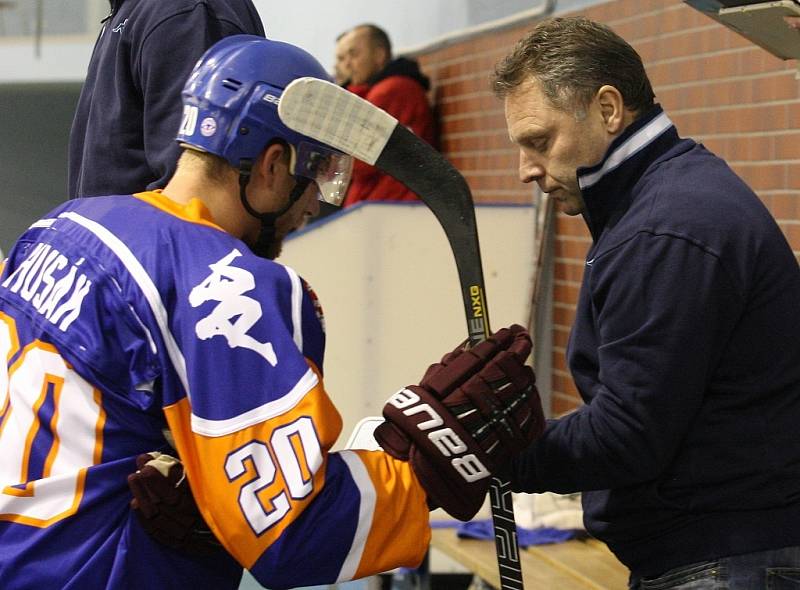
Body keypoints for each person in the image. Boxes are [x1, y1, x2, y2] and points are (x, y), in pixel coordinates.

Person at [0, 35, 545, 589]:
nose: (313, 204)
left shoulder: (60, 226)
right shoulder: (228, 283)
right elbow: (295, 530)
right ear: (273, 165)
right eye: (317, 176)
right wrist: (425, 459)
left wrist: (202, 483)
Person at [492, 16, 800, 590]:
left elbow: (626, 434)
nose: (526, 170)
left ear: (608, 109)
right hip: (719, 553)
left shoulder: (663, 229)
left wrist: (499, 456)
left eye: (539, 141)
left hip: (728, 560)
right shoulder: (663, 201)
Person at [68, 0, 265, 199]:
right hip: (125, 227)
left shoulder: (182, 11)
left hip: (147, 229)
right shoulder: (137, 9)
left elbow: (196, 195)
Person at [339, 24, 436, 207]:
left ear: (379, 55)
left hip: (389, 206)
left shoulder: (391, 91)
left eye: (354, 54)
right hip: (383, 204)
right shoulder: (380, 89)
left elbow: (358, 162)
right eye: (343, 58)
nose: (347, 64)